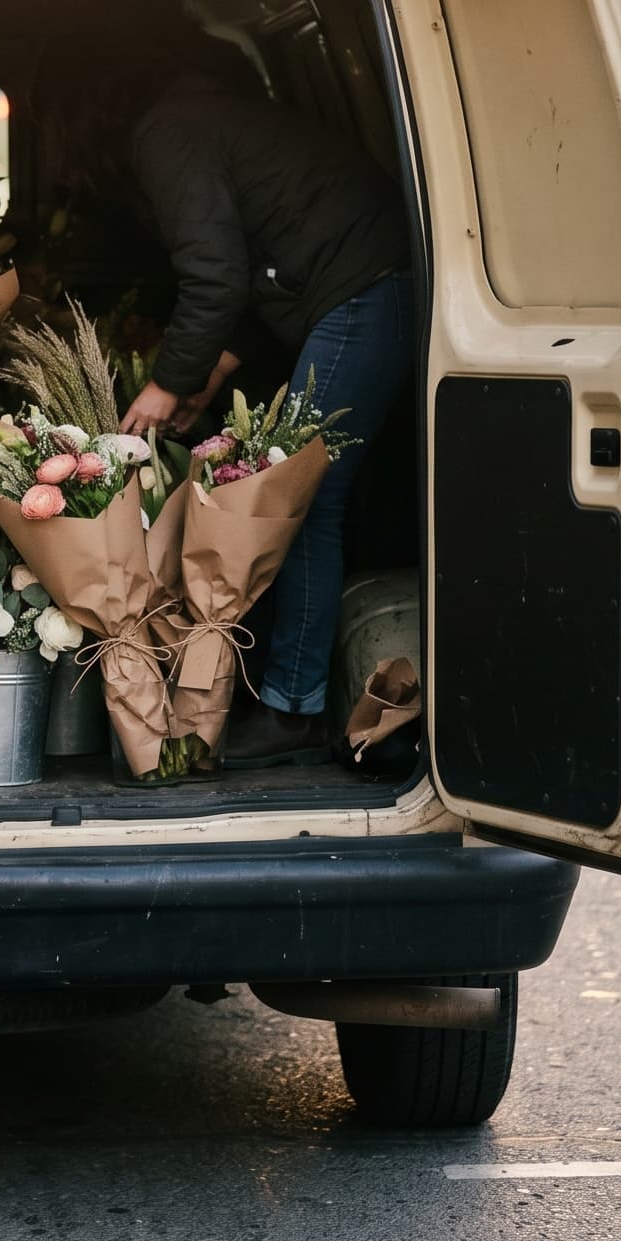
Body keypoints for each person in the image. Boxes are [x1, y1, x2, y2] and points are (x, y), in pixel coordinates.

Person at [120, 76, 414, 771]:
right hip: (355, 278)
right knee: (294, 490)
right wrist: (212, 368)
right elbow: (261, 261)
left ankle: (292, 708)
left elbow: (217, 273)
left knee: (302, 497)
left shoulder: (165, 132)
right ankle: (282, 690)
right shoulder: (201, 117)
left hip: (364, 285)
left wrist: (166, 385)